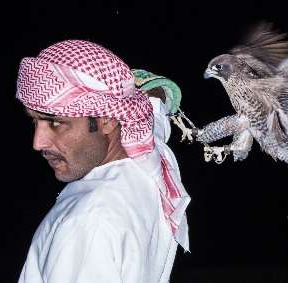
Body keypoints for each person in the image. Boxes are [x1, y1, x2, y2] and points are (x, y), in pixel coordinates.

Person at [16, 40, 190, 283]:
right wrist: (152, 91)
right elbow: (155, 117)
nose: (38, 142)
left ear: (108, 119)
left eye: (55, 122)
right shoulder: (150, 158)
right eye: (35, 122)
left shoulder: (87, 224)